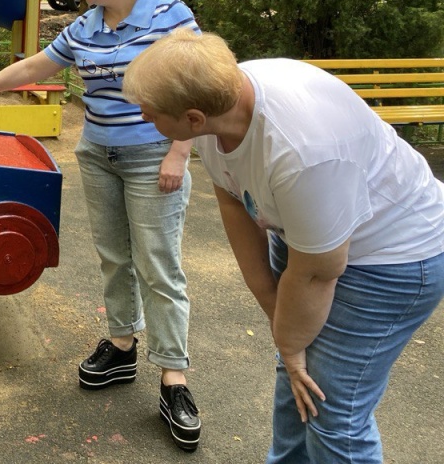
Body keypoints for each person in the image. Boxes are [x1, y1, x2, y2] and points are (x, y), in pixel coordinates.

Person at [123, 29, 444, 463]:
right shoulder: (219, 103)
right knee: (297, 381)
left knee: (332, 411)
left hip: (390, 256)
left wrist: (291, 345)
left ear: (194, 118)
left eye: (150, 112)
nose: (143, 116)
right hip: (306, 238)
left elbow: (317, 272)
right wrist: (283, 328)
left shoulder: (302, 152)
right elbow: (234, 202)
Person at [0, 0, 203, 451]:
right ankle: (122, 345)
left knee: (158, 262)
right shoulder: (86, 26)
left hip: (153, 157)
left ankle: (173, 376)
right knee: (114, 256)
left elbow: (198, 85)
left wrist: (179, 152)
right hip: (98, 155)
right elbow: (36, 65)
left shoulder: (169, 16)